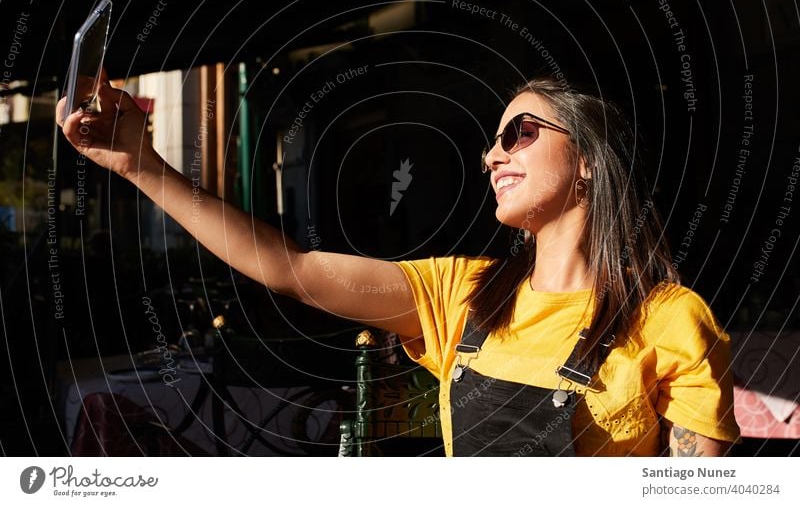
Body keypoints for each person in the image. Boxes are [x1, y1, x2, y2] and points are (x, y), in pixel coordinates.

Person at [56, 74, 740, 457]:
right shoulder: (464, 294)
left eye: (519, 133)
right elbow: (291, 268)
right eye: (490, 143)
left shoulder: (668, 319)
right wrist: (139, 164)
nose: (493, 154)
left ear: (589, 159)